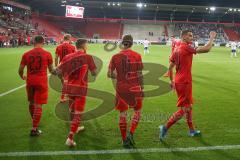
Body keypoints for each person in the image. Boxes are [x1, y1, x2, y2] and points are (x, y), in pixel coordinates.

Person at [159, 30, 217, 140]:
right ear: (184, 36)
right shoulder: (185, 47)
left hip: (179, 81)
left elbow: (170, 67)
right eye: (190, 35)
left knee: (188, 106)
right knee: (185, 109)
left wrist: (171, 81)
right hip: (185, 81)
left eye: (192, 35)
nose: (192, 37)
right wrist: (211, 37)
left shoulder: (176, 48)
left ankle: (192, 130)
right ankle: (165, 127)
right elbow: (206, 49)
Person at [56, 38, 97, 147]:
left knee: (71, 109)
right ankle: (70, 138)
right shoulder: (87, 57)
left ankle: (75, 127)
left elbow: (57, 71)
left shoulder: (67, 57)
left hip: (69, 87)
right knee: (78, 113)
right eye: (87, 45)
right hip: (80, 88)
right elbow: (94, 73)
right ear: (84, 46)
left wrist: (64, 78)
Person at [108, 35, 144, 148]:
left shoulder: (115, 56)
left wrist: (119, 76)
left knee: (123, 113)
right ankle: (131, 133)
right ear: (132, 43)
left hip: (121, 87)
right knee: (137, 111)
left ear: (123, 43)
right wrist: (142, 88)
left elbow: (109, 73)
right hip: (134, 87)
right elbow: (139, 74)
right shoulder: (137, 56)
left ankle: (124, 139)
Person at [18, 35, 56, 136]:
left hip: (30, 81)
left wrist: (22, 76)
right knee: (38, 104)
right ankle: (34, 129)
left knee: (31, 102)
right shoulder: (47, 54)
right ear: (43, 42)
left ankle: (34, 120)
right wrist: (59, 72)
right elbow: (52, 70)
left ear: (34, 42)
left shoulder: (26, 54)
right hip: (41, 82)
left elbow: (20, 70)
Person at [55, 34, 76, 102]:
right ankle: (64, 96)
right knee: (67, 81)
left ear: (63, 38)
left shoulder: (58, 47)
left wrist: (56, 66)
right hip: (69, 66)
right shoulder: (72, 47)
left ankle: (67, 93)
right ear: (69, 39)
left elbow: (56, 57)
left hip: (61, 66)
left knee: (63, 81)